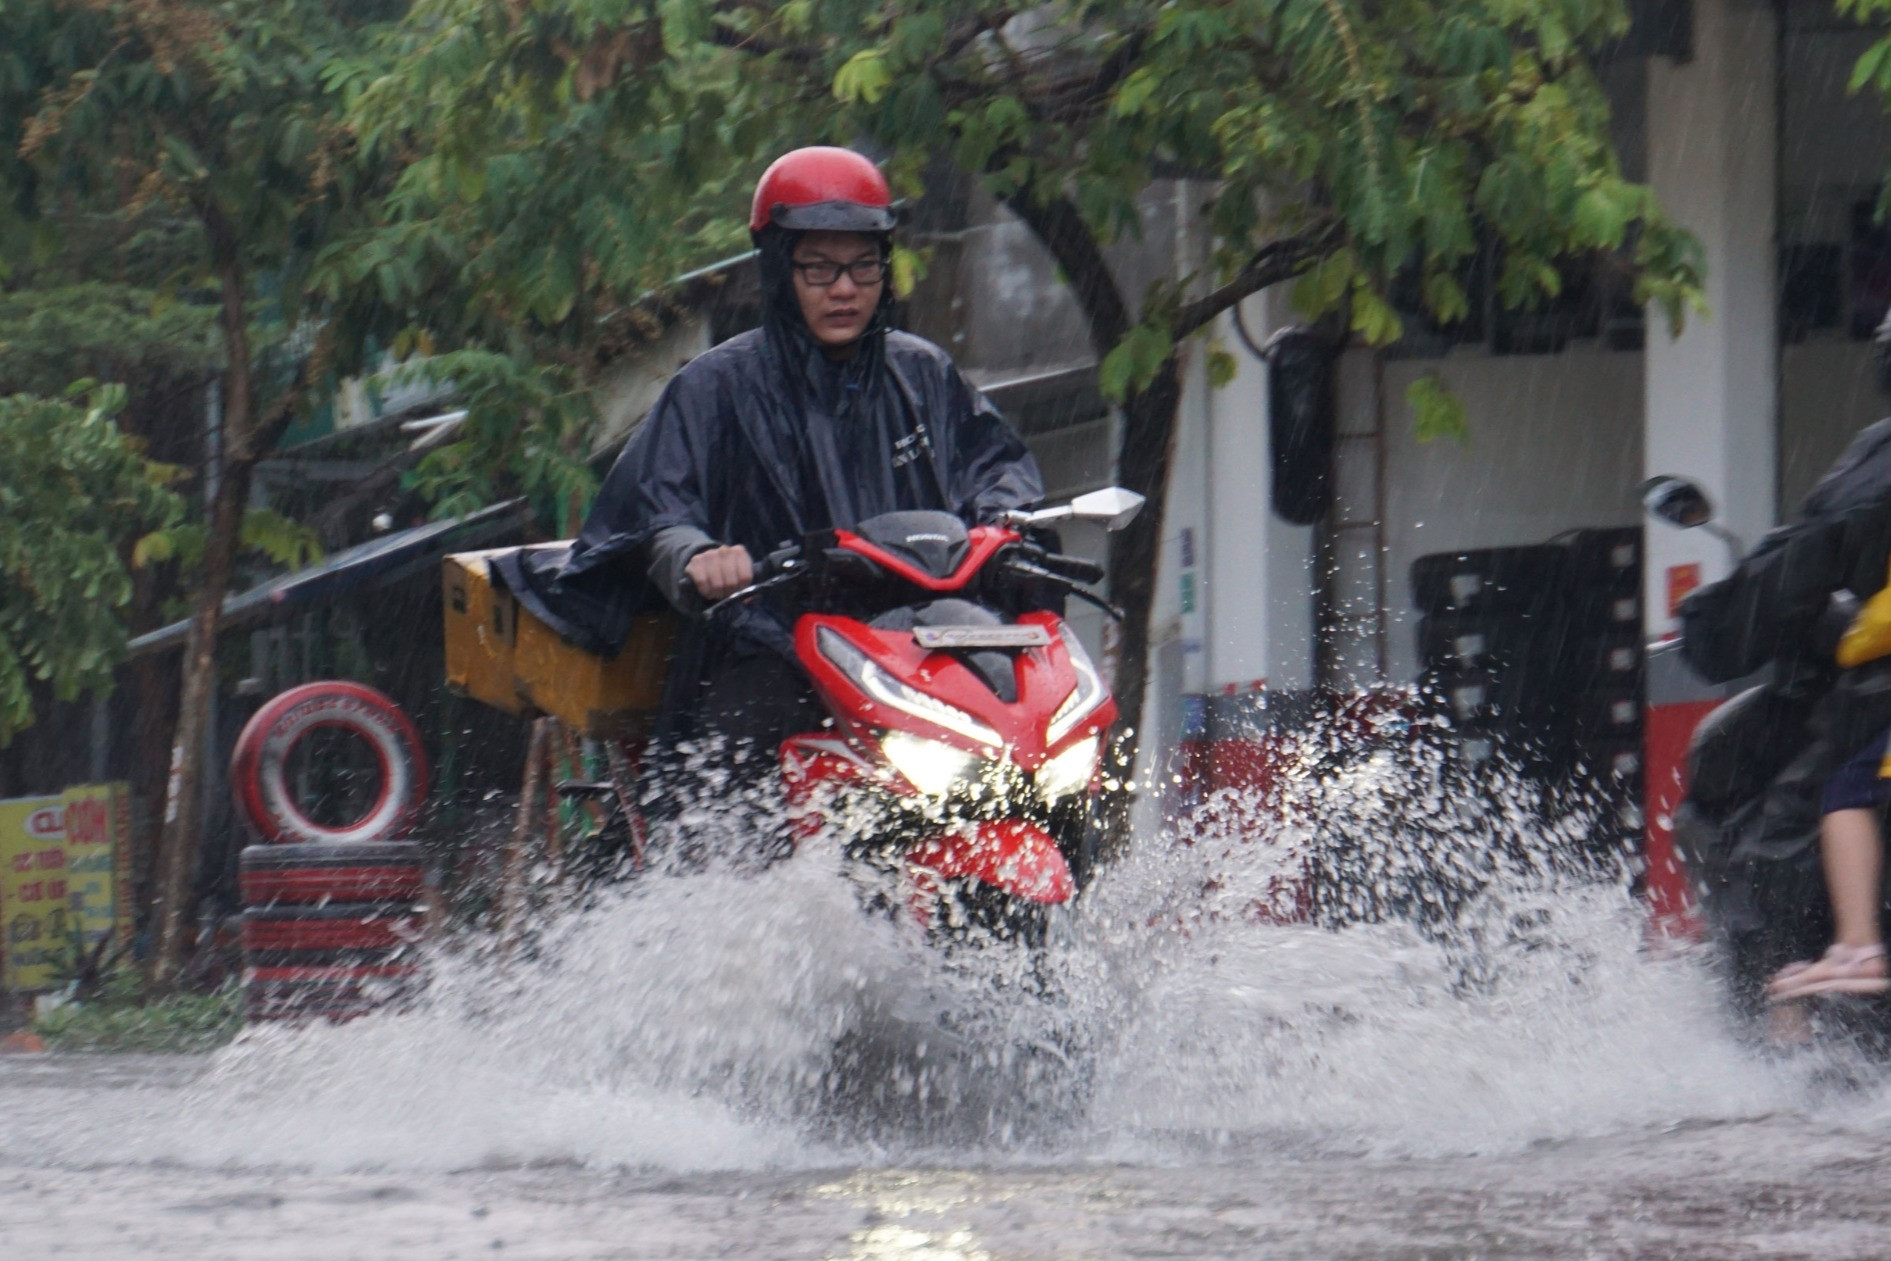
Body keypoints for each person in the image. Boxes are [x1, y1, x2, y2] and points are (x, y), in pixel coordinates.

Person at [524, 146, 1043, 758]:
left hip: (922, 641)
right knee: (727, 780)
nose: (845, 289)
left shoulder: (923, 372)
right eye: (819, 269)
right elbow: (658, 508)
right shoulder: (714, 385)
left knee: (1037, 739)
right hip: (775, 641)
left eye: (863, 267)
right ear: (778, 268)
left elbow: (999, 466)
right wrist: (698, 556)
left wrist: (1007, 518)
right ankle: (703, 853)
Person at [1679, 312, 1891, 1016]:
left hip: (1877, 691)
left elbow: (1798, 562)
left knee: (1805, 812)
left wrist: (1715, 628)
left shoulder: (1875, 465)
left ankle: (1797, 1005)